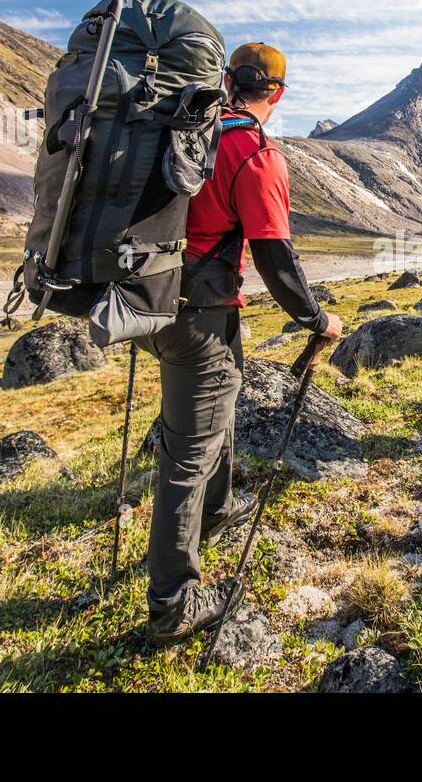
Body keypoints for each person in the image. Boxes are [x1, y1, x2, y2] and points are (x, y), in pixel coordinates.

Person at [143, 42, 342, 645]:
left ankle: (219, 508)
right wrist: (315, 319)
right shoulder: (252, 151)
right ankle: (171, 606)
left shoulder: (188, 130)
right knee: (188, 452)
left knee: (218, 400)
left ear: (229, 81)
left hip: (151, 301)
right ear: (276, 94)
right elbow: (275, 255)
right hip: (196, 312)